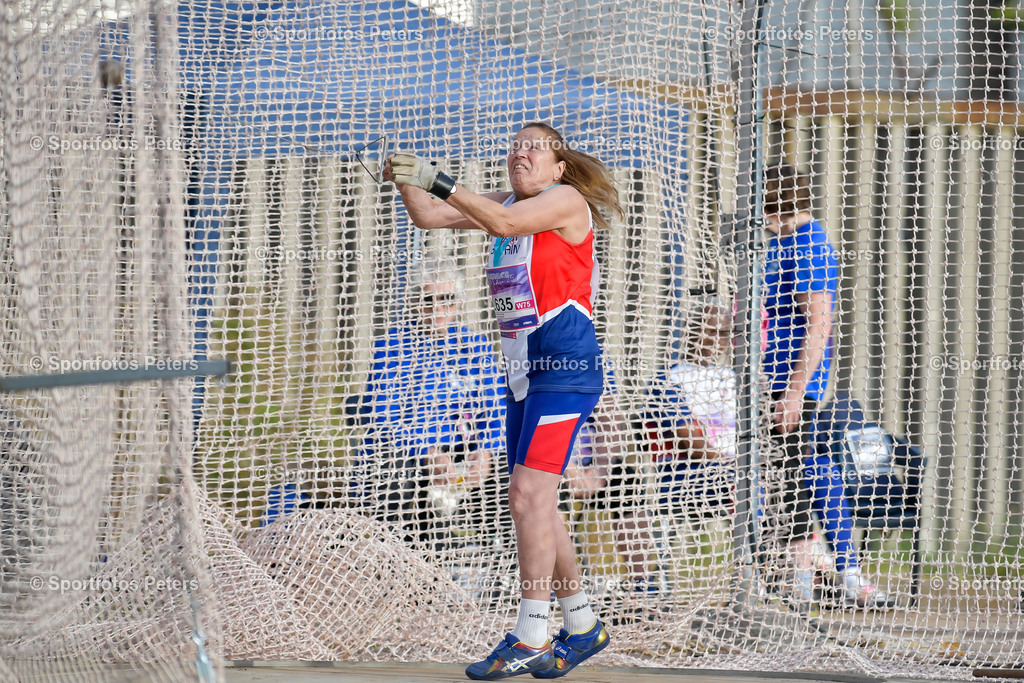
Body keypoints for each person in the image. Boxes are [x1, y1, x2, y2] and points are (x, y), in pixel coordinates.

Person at [386, 122, 623, 680]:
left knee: (526, 495)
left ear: (559, 167)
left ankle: (531, 633)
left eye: (534, 146)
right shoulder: (506, 201)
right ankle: (583, 625)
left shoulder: (564, 200)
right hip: (521, 374)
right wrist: (404, 176)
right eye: (515, 145)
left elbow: (504, 224)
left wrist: (437, 178)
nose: (521, 152)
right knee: (537, 503)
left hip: (564, 368)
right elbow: (430, 217)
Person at [761, 164, 889, 609]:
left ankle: (802, 581)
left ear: (774, 205)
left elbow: (819, 325)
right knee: (788, 474)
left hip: (788, 383)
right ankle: (801, 571)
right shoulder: (776, 243)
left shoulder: (809, 245)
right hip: (762, 378)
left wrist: (795, 392)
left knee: (793, 477)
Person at [347, 264, 503, 552]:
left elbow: (495, 409)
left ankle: (501, 555)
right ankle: (391, 552)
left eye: (447, 299)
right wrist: (427, 452)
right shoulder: (392, 347)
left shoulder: (474, 346)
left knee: (515, 465)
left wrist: (486, 451)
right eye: (428, 299)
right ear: (414, 302)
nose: (437, 308)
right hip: (408, 451)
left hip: (462, 449)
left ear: (459, 302)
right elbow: (383, 417)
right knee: (393, 468)